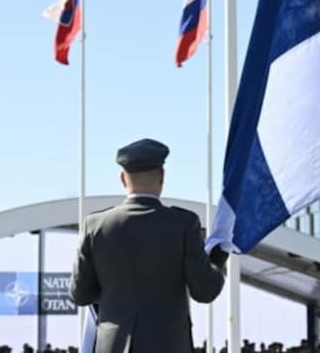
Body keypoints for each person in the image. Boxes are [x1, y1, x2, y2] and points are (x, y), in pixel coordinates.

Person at [70, 138, 228, 352]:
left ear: (123, 179)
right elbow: (205, 291)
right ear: (162, 177)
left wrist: (114, 293)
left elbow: (80, 295)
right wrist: (218, 261)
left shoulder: (95, 225)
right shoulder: (183, 224)